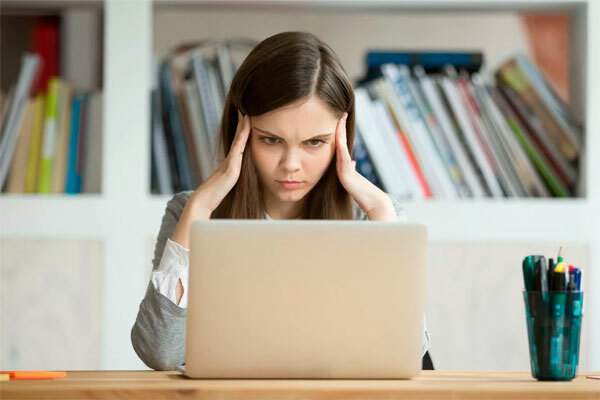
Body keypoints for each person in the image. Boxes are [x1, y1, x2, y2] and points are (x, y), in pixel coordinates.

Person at [131, 31, 430, 371]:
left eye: (315, 142)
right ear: (241, 133)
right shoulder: (190, 212)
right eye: (271, 140)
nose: (291, 164)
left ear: (341, 138)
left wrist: (381, 213)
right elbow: (160, 352)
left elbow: (408, 351)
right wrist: (198, 209)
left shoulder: (377, 217)